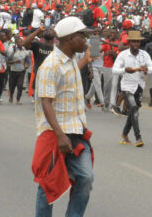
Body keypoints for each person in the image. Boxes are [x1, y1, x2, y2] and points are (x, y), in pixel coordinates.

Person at [32, 16, 94, 217]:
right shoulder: (50, 65)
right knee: (47, 186)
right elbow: (46, 102)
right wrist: (59, 135)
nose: (85, 40)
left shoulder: (71, 60)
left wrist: (86, 59)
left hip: (76, 132)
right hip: (55, 135)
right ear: (69, 39)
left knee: (85, 177)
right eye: (82, 36)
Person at [113, 30, 152, 147]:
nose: (136, 44)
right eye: (134, 42)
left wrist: (146, 69)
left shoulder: (144, 54)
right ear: (129, 42)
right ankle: (138, 137)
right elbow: (114, 70)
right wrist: (125, 70)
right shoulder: (123, 55)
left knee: (134, 111)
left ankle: (124, 134)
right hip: (127, 86)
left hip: (139, 86)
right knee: (134, 108)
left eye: (138, 41)